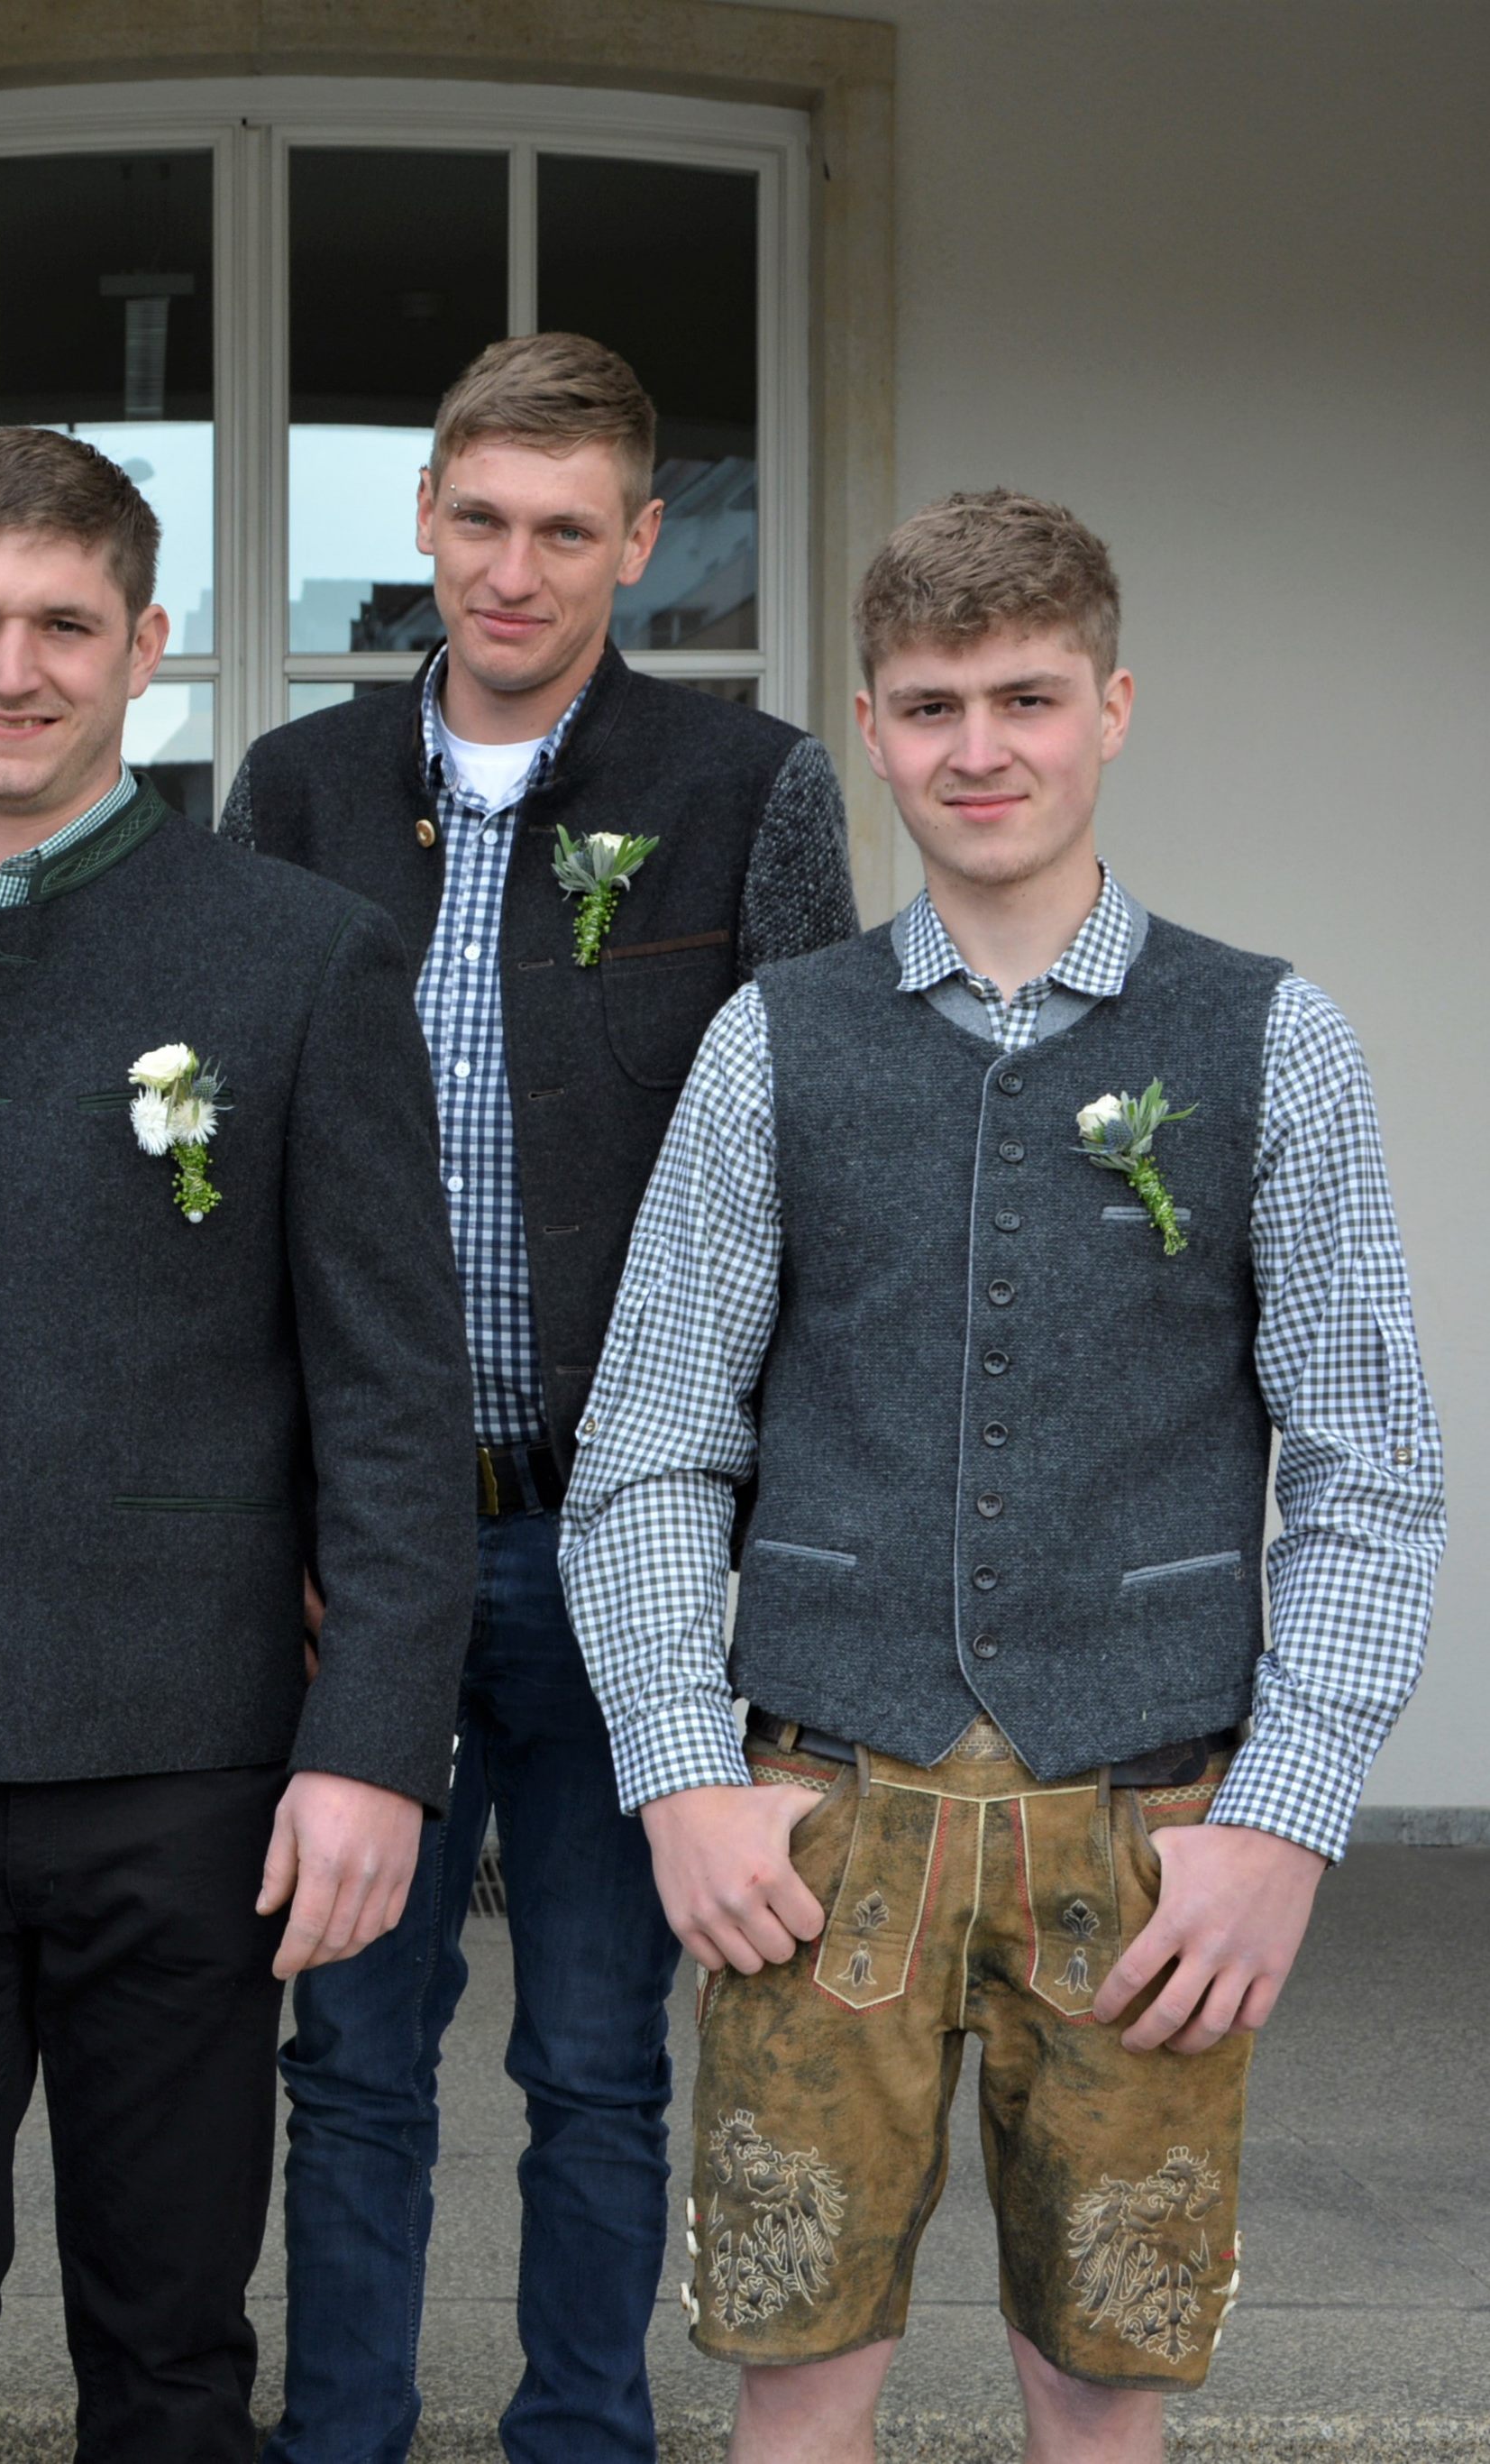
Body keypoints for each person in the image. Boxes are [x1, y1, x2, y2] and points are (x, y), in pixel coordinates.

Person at [561, 491, 1443, 2463]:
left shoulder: (1269, 1035)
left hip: (1144, 1829)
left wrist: (1281, 1825)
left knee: (1103, 2386)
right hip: (821, 1813)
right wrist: (680, 1768)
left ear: (1111, 705)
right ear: (868, 730)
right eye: (933, 702)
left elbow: (1371, 1473)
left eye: (1026, 695)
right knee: (789, 2375)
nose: (981, 746)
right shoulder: (765, 1045)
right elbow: (646, 1448)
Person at [0, 426, 477, 2462]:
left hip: (187, 1763)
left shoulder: (297, 955)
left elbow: (395, 1402)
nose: (12, 666)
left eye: (65, 623)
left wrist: (373, 1746)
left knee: (167, 2349)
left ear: (149, 643)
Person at [217, 332, 858, 2464]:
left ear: (640, 542)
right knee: (353, 2050)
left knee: (599, 2053)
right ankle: (342, 2441)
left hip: (633, 1550)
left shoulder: (745, 786)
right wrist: (283, 1529)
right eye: (478, 519)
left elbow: (805, 1174)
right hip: (372, 1550)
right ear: (421, 514)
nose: (512, 570)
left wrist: (760, 1549)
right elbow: (241, 1206)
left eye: (565, 531)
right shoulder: (292, 792)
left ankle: (583, 2433)